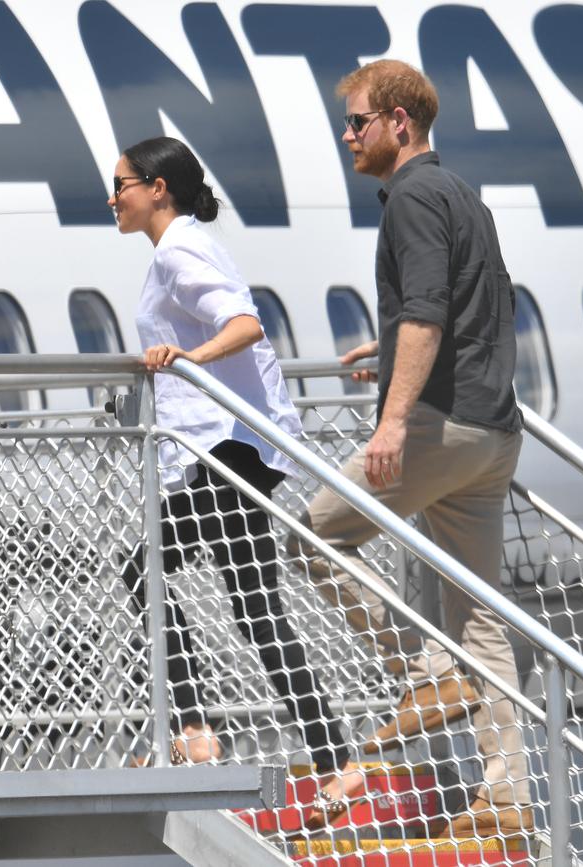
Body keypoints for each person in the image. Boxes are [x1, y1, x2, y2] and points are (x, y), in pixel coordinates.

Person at [287, 61, 533, 838]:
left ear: (400, 122)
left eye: (358, 122)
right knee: (480, 620)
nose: (348, 136)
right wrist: (391, 347)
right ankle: (505, 800)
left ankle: (427, 674)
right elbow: (469, 303)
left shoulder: (413, 198)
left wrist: (393, 418)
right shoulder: (461, 194)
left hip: (442, 425)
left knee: (315, 532)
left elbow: (429, 311)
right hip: (494, 433)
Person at [107, 135, 363, 825]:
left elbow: (244, 323)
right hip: (236, 450)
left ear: (158, 188)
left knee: (144, 569)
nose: (113, 197)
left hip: (229, 450)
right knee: (254, 608)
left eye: (122, 183)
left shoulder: (179, 249)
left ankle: (194, 722)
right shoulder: (181, 246)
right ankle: (334, 758)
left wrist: (188, 355)